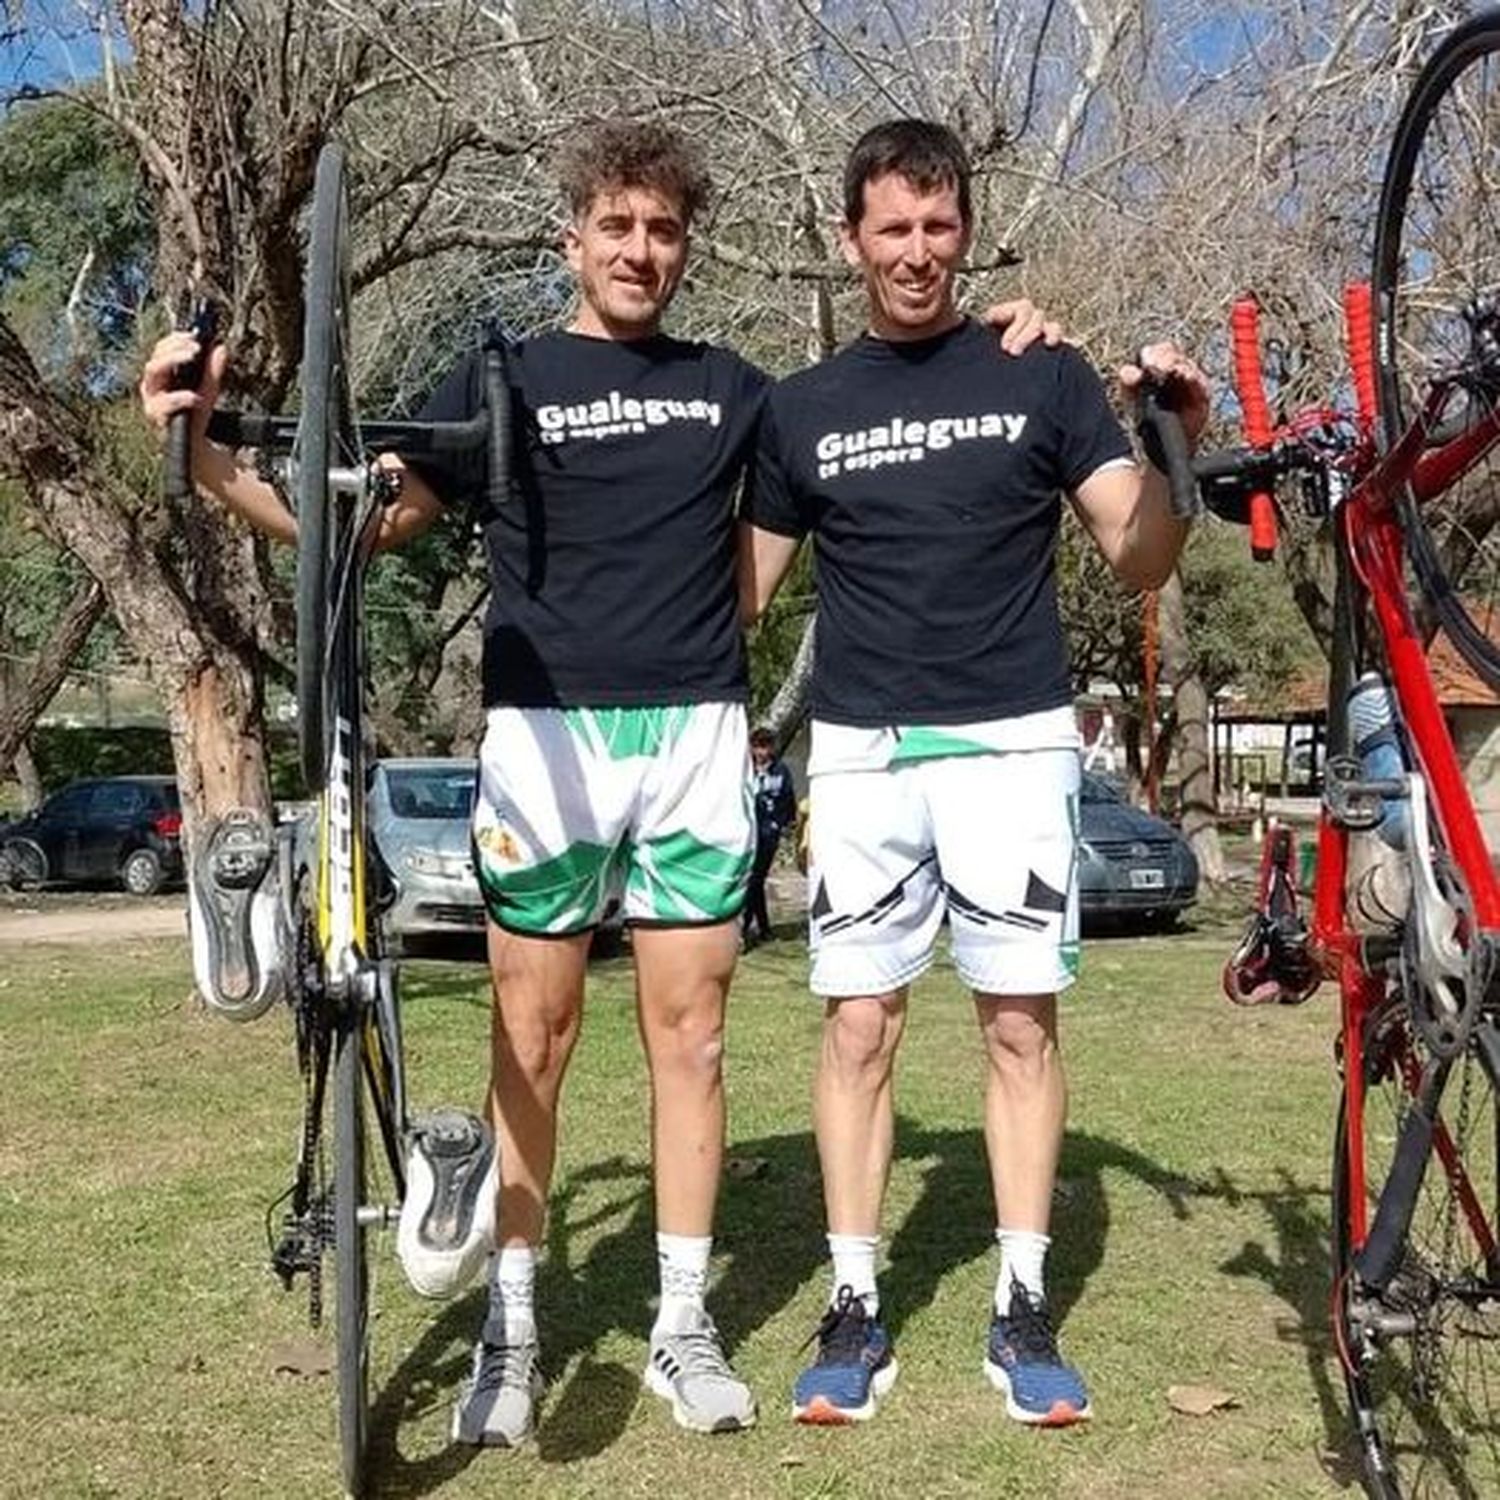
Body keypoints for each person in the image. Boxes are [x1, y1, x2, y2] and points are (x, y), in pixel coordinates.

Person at [140, 118, 1062, 1449]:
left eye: (664, 229)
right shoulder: (500, 374)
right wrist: (208, 455)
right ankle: (511, 1330)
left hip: (692, 741)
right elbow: (361, 516)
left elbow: (895, 428)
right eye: (617, 226)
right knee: (536, 1038)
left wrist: (1009, 334)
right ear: (571, 236)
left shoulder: (745, 392)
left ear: (685, 248)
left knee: (689, 1043)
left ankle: (684, 1325)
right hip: (547, 741)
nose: (641, 249)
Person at [740, 119, 1210, 1428]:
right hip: (866, 756)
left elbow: (1141, 557)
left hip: (1011, 743)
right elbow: (737, 600)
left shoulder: (1043, 375)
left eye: (938, 227)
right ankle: (853, 1300)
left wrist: (1178, 447)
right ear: (851, 240)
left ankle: (1021, 1303)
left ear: (966, 231)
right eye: (891, 227)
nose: (916, 252)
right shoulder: (801, 408)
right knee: (858, 1027)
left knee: (1018, 1025)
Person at [744, 726, 797, 945]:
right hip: (747, 832)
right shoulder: (745, 770)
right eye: (757, 746)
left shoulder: (781, 770)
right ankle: (764, 929)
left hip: (769, 832)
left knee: (755, 879)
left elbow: (788, 799)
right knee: (753, 880)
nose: (761, 752)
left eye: (765, 746)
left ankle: (745, 927)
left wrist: (782, 824)